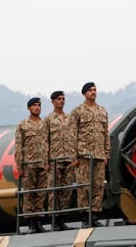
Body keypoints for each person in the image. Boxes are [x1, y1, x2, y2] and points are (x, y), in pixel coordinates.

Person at [69, 82, 110, 228]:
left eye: (94, 90)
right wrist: (75, 156)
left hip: (99, 155)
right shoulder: (77, 111)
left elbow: (105, 134)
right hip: (84, 155)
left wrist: (107, 154)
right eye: (90, 90)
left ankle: (95, 214)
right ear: (84, 93)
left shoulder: (102, 111)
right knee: (84, 187)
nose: (93, 92)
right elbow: (72, 135)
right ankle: (85, 217)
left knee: (98, 186)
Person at [14, 97, 49, 234]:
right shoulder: (23, 125)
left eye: (39, 105)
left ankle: (39, 221)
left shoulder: (45, 124)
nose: (37, 107)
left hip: (42, 164)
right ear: (29, 108)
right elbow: (18, 146)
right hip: (29, 164)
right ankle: (30, 223)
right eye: (34, 105)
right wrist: (19, 166)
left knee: (41, 194)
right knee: (29, 194)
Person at [44, 90, 73, 230]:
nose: (61, 101)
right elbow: (44, 141)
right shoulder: (49, 120)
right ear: (53, 102)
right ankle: (54, 220)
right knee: (53, 191)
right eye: (58, 99)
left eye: (63, 99)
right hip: (54, 160)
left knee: (66, 191)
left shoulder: (69, 118)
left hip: (68, 159)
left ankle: (62, 219)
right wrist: (46, 161)